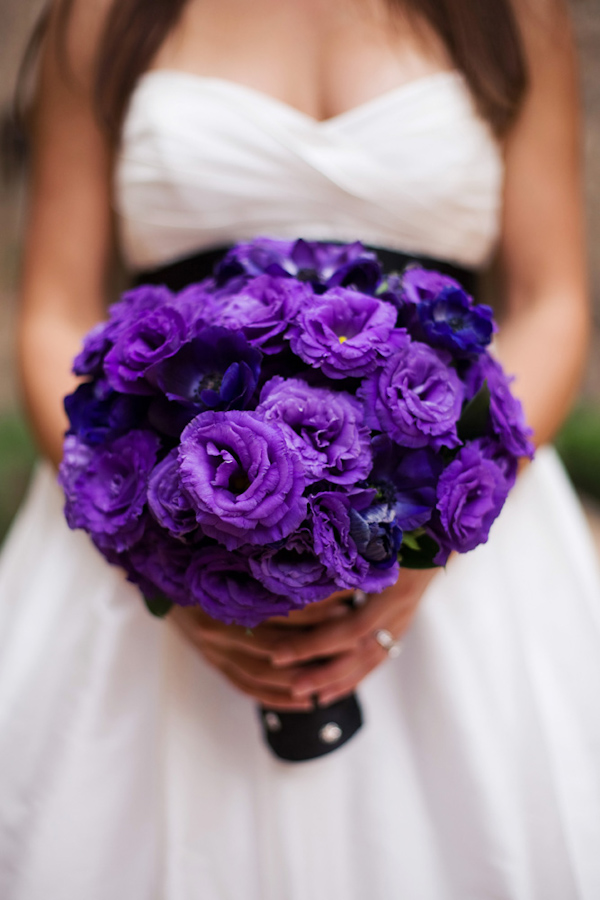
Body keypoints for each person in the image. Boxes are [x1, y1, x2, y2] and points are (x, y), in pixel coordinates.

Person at [1, 0, 599, 896]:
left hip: (452, 530)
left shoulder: (514, 14)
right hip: (164, 521)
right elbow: (53, 309)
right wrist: (167, 556)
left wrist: (425, 541)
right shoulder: (103, 14)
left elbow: (553, 299)